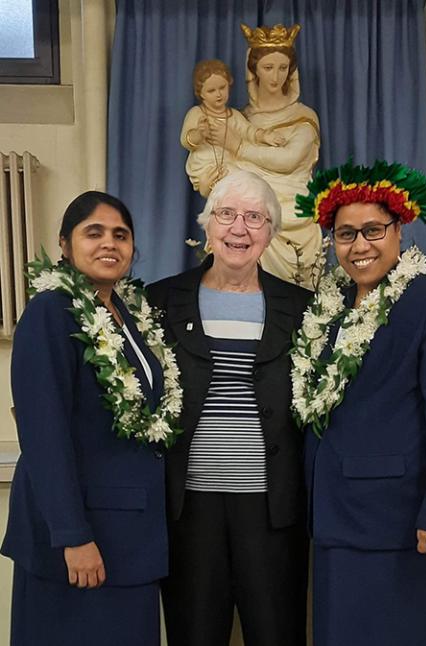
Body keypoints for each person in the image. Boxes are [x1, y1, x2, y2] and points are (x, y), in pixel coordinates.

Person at [293, 160, 426, 645]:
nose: (359, 245)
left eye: (373, 230)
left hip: (401, 523)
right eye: (346, 234)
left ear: (400, 229)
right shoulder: (328, 310)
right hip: (334, 518)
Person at [1, 191, 182, 646]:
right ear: (65, 245)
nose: (109, 244)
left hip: (130, 533)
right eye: (93, 232)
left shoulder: (129, 316)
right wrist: (72, 535)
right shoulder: (50, 312)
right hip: (82, 540)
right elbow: (44, 434)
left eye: (120, 235)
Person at [147, 170, 311, 646]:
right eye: (227, 214)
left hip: (272, 512)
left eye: (255, 217)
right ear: (206, 224)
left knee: (276, 633)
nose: (240, 228)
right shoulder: (159, 301)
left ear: (271, 232)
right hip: (188, 511)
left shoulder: (303, 308)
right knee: (195, 634)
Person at [207, 23, 322, 288]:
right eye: (268, 68)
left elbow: (289, 160)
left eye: (283, 68)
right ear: (254, 70)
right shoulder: (242, 118)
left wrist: (238, 148)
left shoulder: (303, 117)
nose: (276, 76)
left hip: (294, 219)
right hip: (245, 220)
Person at [181, 59, 285, 197]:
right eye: (211, 90)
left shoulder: (234, 116)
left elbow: (248, 131)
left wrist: (265, 136)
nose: (218, 94)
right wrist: (199, 134)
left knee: (251, 179)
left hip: (229, 164)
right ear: (201, 93)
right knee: (243, 182)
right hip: (206, 166)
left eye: (222, 88)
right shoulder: (197, 113)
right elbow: (185, 140)